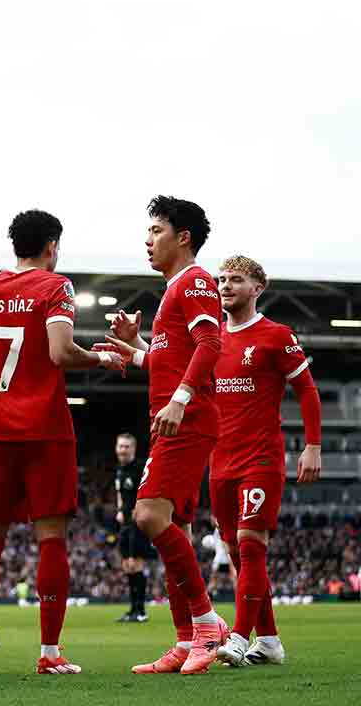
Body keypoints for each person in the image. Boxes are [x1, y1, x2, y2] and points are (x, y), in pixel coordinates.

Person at [0, 209, 125, 675]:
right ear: (52, 246)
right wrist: (101, 357)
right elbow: (60, 351)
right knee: (51, 538)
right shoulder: (57, 286)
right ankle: (50, 654)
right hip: (46, 429)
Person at [105, 196, 228, 675]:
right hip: (174, 418)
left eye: (156, 230)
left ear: (183, 238)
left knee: (148, 516)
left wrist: (179, 398)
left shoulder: (195, 281)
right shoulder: (174, 290)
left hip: (186, 418)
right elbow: (168, 360)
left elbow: (210, 343)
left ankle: (205, 624)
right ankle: (184, 641)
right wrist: (134, 348)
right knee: (177, 529)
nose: (147, 240)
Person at [209, 255, 322, 667]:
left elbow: (307, 392)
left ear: (258, 287)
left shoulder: (276, 335)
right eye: (221, 279)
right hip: (218, 460)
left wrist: (312, 446)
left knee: (251, 546)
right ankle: (270, 640)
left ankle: (239, 638)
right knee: (239, 555)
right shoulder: (212, 339)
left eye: (235, 280)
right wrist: (137, 348)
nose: (225, 286)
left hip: (260, 457)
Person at [114, 433, 153, 622]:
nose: (123, 449)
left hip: (137, 522)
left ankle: (141, 610)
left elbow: (145, 492)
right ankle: (132, 610)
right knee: (127, 566)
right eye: (120, 446)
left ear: (133, 449)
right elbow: (120, 493)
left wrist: (139, 512)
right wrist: (120, 509)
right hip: (126, 522)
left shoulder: (139, 468)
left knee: (136, 564)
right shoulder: (119, 470)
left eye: (127, 446)